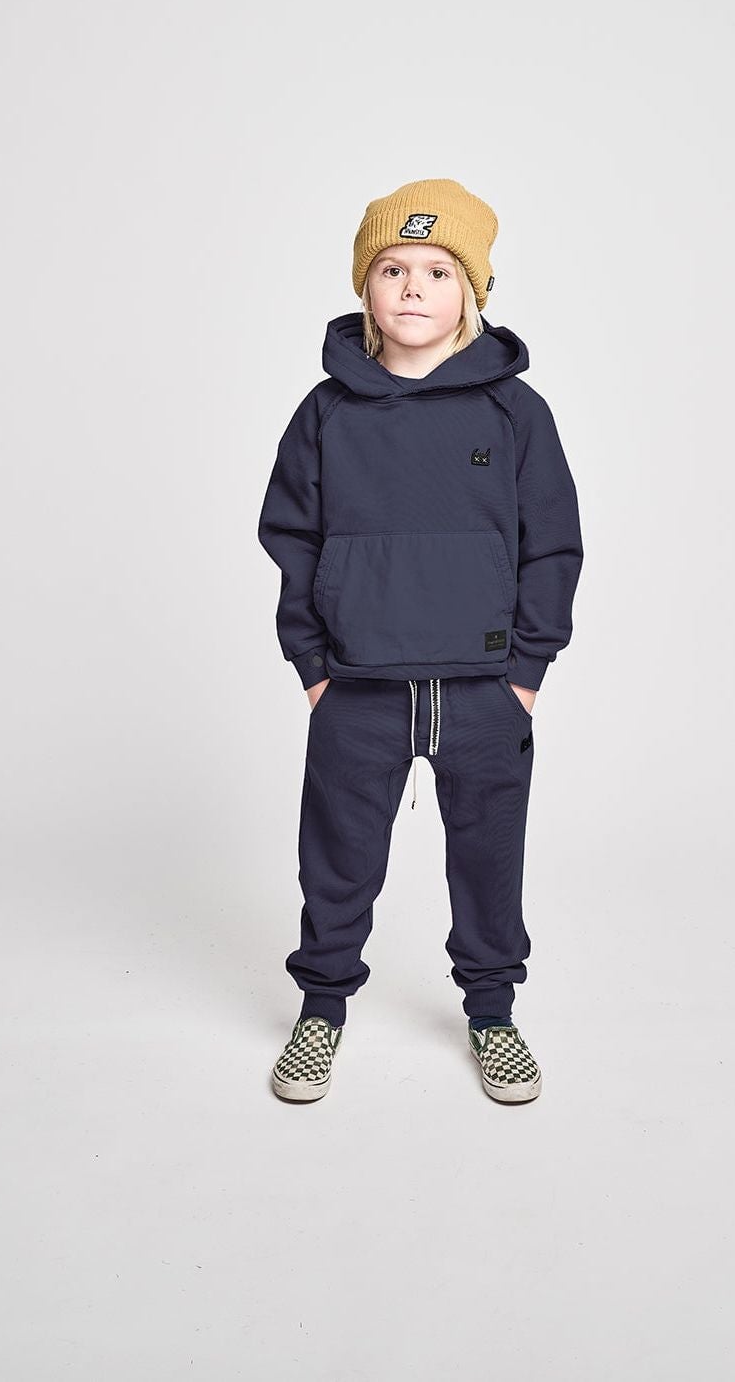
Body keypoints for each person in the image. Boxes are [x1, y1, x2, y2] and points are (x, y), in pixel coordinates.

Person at [256, 178, 584, 1103]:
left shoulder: (516, 413)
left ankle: (493, 1014)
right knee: (336, 858)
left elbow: (553, 544)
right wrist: (313, 664)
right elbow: (290, 536)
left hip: (483, 690)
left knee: (489, 858)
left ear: (470, 292)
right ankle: (321, 1010)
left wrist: (526, 670)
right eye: (393, 268)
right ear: (365, 285)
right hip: (357, 687)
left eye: (438, 271)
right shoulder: (326, 413)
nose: (412, 287)